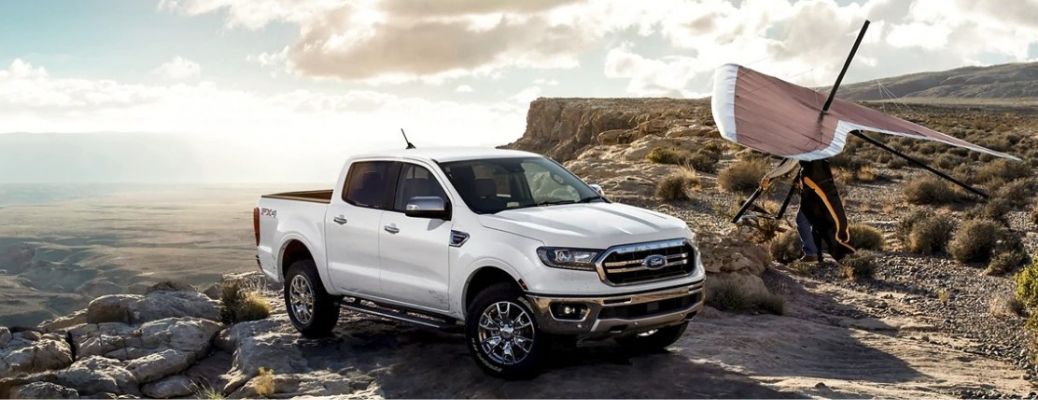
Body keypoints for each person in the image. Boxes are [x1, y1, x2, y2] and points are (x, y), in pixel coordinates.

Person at [797, 159, 855, 262]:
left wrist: (770, 176)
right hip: (821, 190)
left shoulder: (808, 154)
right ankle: (817, 254)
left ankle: (812, 253)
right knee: (817, 221)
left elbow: (789, 164)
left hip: (814, 193)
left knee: (803, 220)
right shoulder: (820, 155)